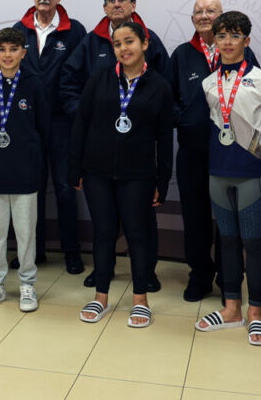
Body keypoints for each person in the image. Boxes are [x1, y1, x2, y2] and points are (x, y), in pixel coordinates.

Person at [60, 0, 169, 289]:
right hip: (100, 157)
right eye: (111, 0)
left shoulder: (152, 41)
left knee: (141, 224)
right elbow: (70, 84)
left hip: (138, 158)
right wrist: (89, 115)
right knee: (104, 226)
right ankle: (102, 272)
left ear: (133, 5)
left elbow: (165, 93)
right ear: (105, 7)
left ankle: (145, 272)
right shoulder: (91, 42)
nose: (117, 4)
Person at [69, 22, 173, 327]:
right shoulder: (99, 79)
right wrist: (74, 167)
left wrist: (162, 180)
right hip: (97, 171)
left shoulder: (160, 87)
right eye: (117, 44)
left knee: (138, 235)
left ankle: (140, 298)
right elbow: (81, 125)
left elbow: (165, 139)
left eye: (129, 42)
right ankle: (101, 296)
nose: (123, 48)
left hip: (138, 175)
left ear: (144, 43)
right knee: (103, 232)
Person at [194, 11, 261, 346]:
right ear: (213, 41)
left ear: (246, 40)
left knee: (253, 242)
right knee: (226, 241)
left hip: (252, 174)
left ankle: (255, 313)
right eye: (221, 36)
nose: (227, 42)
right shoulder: (207, 83)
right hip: (218, 173)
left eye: (234, 35)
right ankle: (232, 308)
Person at [168, 0, 258, 302]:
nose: (205, 16)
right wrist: (185, 121)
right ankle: (200, 276)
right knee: (195, 218)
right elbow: (169, 97)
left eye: (211, 11)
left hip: (231, 152)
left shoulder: (241, 52)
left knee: (228, 219)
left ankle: (228, 278)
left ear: (222, 17)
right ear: (192, 19)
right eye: (199, 12)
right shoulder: (181, 54)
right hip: (193, 152)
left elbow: (254, 96)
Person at [11, 0, 87, 275]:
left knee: (66, 189)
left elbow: (81, 74)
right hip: (27, 122)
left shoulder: (74, 30)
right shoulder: (20, 30)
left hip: (61, 123)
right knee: (31, 190)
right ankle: (34, 251)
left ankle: (71, 252)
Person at [0, 28, 49, 313]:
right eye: (2, 49)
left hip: (26, 172)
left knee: (25, 233)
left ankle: (27, 284)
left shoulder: (34, 84)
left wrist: (36, 163)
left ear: (23, 52)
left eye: (13, 49)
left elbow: (43, 128)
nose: (7, 55)